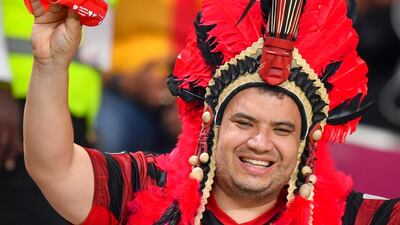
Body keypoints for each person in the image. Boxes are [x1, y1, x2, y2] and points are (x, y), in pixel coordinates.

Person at [23, 0, 400, 225]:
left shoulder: (350, 218)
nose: (260, 142)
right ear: (211, 121)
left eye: (282, 129)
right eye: (244, 121)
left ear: (306, 142)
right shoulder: (146, 188)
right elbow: (55, 168)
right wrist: (50, 63)